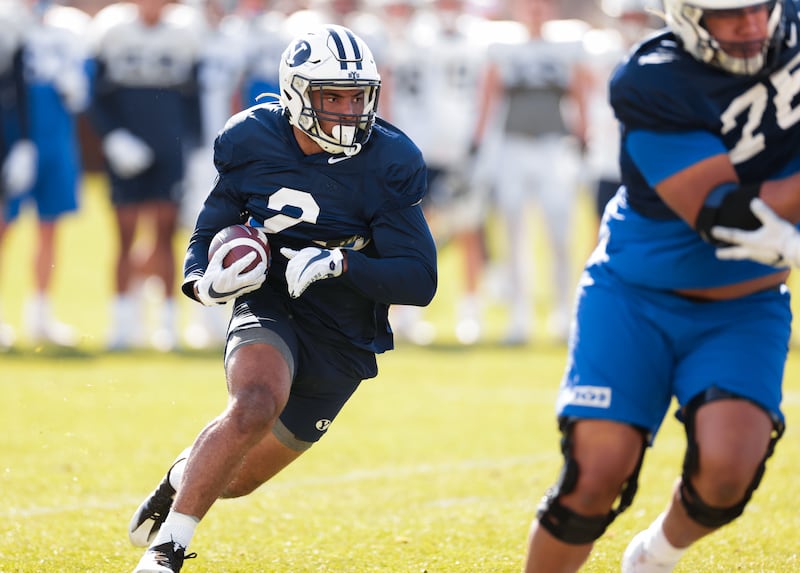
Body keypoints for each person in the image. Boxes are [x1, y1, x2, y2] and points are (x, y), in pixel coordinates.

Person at [127, 24, 437, 573]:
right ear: (296, 93)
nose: (348, 110)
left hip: (345, 330)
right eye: (331, 96)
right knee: (255, 402)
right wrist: (202, 282)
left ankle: (179, 478)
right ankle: (167, 549)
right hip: (272, 301)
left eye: (357, 96)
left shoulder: (389, 159)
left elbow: (419, 279)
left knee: (239, 479)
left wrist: (341, 263)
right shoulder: (251, 138)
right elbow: (211, 226)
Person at [522, 0, 796, 572]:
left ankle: (655, 555)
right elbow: (732, 217)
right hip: (636, 295)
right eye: (729, 14)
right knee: (594, 477)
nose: (750, 24)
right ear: (687, 15)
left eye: (758, 7)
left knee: (727, 476)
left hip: (745, 305)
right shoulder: (654, 79)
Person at [87, 0, 202, 351]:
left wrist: (195, 148)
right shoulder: (111, 30)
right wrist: (113, 137)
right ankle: (121, 324)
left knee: (166, 236)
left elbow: (192, 98)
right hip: (126, 147)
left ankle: (166, 325)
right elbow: (93, 94)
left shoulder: (185, 33)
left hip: (169, 146)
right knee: (124, 236)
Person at [482, 0, 591, 345]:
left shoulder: (567, 44)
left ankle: (563, 314)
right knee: (514, 232)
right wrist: (481, 140)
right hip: (513, 145)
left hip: (554, 145)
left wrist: (584, 134)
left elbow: (579, 90)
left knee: (560, 232)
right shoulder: (502, 45)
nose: (535, 13)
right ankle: (520, 317)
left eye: (540, 7)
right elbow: (491, 91)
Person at [0, 0, 92, 347]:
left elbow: (83, 93)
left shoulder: (71, 26)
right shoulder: (6, 20)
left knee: (50, 226)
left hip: (56, 138)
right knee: (3, 226)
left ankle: (39, 315)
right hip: (13, 137)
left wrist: (76, 84)